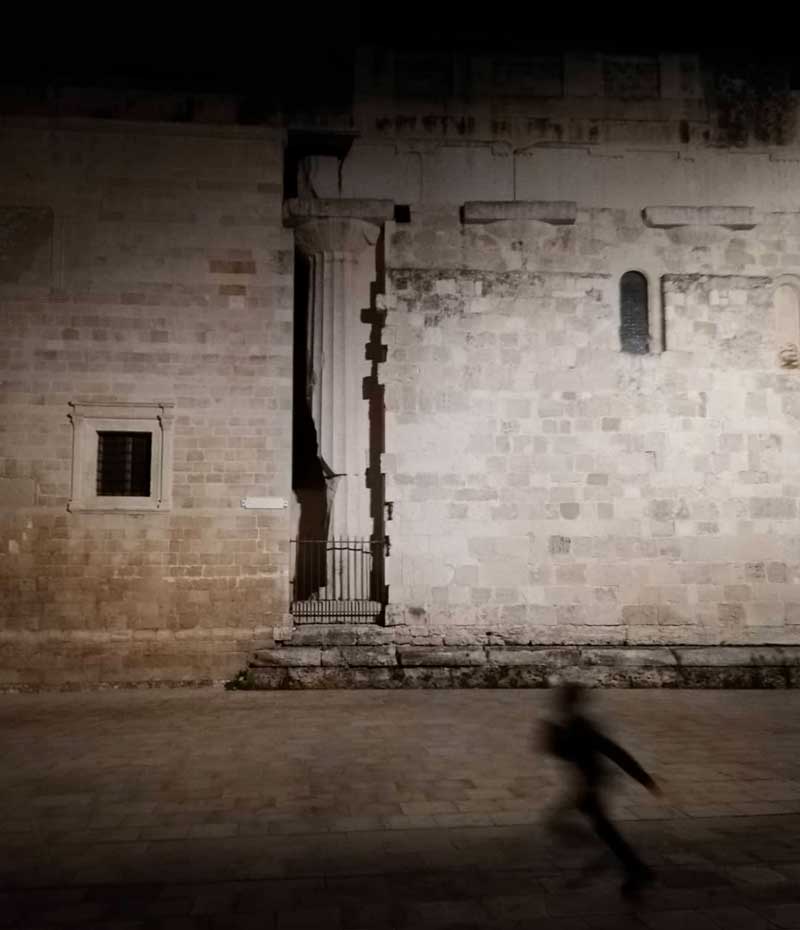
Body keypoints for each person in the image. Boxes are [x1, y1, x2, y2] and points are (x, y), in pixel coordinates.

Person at [542, 681, 661, 897]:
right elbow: (558, 750)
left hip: (590, 786)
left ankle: (627, 863)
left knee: (568, 823)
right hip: (585, 786)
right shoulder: (568, 725)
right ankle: (631, 866)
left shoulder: (582, 727)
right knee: (601, 828)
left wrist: (644, 778)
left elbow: (616, 753)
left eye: (563, 698)